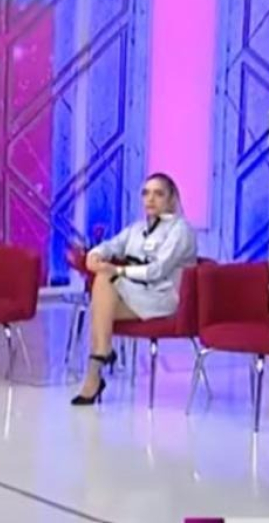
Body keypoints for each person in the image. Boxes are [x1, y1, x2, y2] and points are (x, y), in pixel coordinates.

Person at [70, 172, 197, 405]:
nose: (150, 199)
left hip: (162, 297)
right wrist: (94, 255)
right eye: (146, 193)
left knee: (102, 297)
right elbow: (112, 245)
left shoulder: (181, 230)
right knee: (102, 292)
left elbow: (157, 270)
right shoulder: (137, 228)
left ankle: (97, 368)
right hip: (136, 293)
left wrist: (118, 270)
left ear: (171, 199)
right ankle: (99, 358)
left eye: (158, 194)